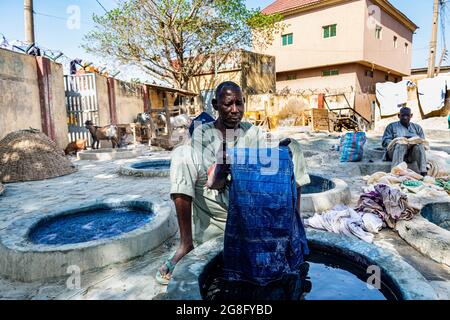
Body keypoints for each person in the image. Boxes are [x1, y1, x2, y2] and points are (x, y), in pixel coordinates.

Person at [156, 81, 310, 284]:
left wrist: (278, 156)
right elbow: (214, 184)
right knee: (181, 154)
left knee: (293, 149)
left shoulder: (252, 132)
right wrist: (222, 165)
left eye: (239, 103)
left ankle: (294, 229)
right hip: (216, 206)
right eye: (228, 104)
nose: (235, 110)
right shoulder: (203, 133)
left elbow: (261, 177)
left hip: (248, 206)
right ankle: (186, 245)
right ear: (216, 104)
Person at [381, 107, 427, 176]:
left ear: (411, 116)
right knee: (401, 144)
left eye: (407, 115)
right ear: (399, 116)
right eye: (403, 115)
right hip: (395, 153)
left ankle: (423, 172)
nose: (405, 118)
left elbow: (423, 142)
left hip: (411, 155)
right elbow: (385, 142)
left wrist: (412, 143)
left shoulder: (417, 128)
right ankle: (396, 172)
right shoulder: (391, 126)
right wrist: (397, 141)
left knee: (419, 146)